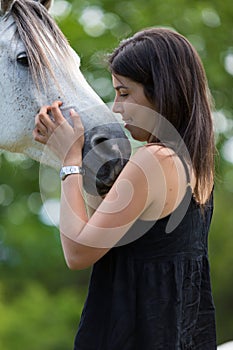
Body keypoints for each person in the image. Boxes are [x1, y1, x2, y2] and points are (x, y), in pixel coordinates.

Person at [33, 27, 216, 349]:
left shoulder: (154, 159)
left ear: (161, 91)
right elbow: (102, 231)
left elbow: (77, 252)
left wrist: (69, 159)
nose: (116, 107)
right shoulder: (195, 165)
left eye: (125, 92)